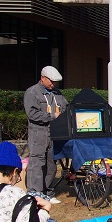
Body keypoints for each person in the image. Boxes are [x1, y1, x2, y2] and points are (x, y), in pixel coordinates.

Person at [23, 66, 68, 204]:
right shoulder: (32, 92)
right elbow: (32, 114)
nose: (53, 84)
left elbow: (66, 107)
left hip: (54, 134)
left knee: (51, 163)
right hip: (38, 133)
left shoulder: (57, 93)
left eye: (55, 82)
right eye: (51, 81)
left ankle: (48, 191)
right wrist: (52, 116)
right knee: (37, 163)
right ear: (43, 78)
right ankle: (35, 194)